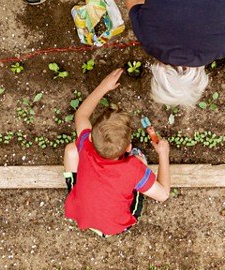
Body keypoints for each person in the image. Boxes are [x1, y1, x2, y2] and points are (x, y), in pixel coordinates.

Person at [63, 69, 171, 237]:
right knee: (141, 160)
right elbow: (163, 194)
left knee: (71, 150)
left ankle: (81, 196)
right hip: (116, 225)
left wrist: (104, 86)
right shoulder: (134, 167)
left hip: (82, 215)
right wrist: (163, 154)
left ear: (91, 137)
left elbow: (81, 114)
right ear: (128, 148)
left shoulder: (85, 145)